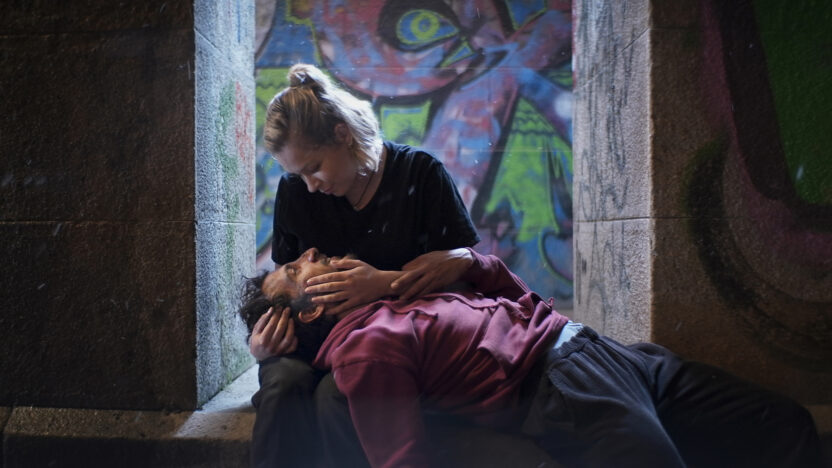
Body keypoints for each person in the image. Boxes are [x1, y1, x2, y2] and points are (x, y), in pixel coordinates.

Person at [239, 247, 823, 468]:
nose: (308, 252)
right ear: (310, 311)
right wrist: (267, 359)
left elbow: (518, 293)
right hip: (567, 385)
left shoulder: (391, 295)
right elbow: (401, 460)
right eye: (295, 268)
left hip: (615, 355)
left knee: (784, 425)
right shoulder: (365, 350)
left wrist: (464, 260)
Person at [253, 63, 480, 467]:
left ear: (343, 134)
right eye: (298, 175)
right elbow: (284, 290)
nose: (310, 186)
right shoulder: (296, 192)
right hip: (316, 342)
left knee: (336, 394)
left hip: (396, 346)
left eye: (314, 168)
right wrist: (261, 346)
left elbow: (463, 287)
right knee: (283, 382)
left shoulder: (420, 174)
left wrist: (384, 284)